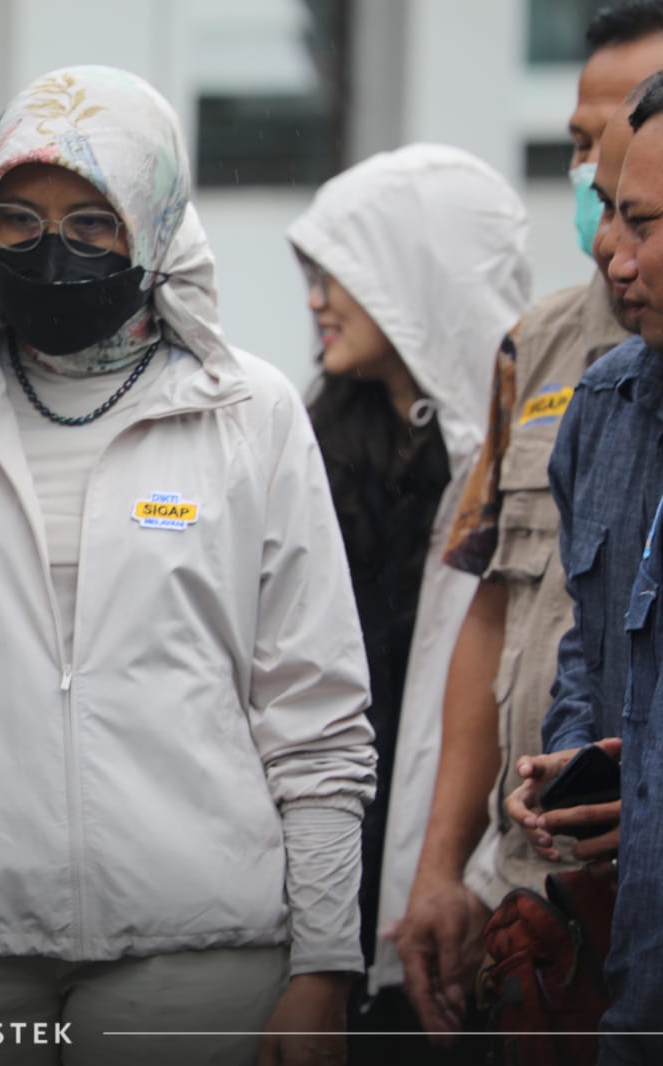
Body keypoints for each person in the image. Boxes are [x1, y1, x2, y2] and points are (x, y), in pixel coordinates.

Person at [0, 66, 376, 1066]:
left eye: (92, 223)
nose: (50, 251)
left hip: (197, 953)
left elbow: (314, 714)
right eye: (16, 219)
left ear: (153, 225)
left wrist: (324, 961)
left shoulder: (250, 414)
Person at [397, 7, 663, 1040]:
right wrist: (449, 862)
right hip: (566, 901)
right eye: (583, 144)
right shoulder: (568, 372)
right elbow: (515, 613)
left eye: (623, 129)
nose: (595, 169)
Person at [287, 146, 531, 1055]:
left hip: (462, 878)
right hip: (334, 850)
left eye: (339, 274)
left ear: (413, 274)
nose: (317, 300)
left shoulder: (517, 458)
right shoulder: (312, 443)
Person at [510, 74, 663, 1063]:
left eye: (639, 221)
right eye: (607, 213)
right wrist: (583, 766)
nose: (610, 250)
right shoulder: (603, 410)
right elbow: (591, 637)